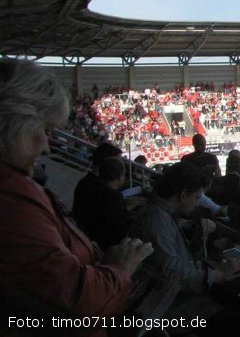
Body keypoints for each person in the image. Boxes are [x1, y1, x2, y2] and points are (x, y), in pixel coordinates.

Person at [0, 58, 153, 335]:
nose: (47, 147)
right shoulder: (10, 195)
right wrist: (121, 267)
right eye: (45, 131)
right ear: (15, 122)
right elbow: (78, 301)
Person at [128, 161, 240, 325]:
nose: (198, 202)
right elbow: (171, 274)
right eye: (197, 197)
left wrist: (200, 241)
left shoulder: (162, 214)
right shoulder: (156, 220)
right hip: (165, 310)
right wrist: (218, 274)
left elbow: (176, 261)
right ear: (183, 195)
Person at [72, 156, 134, 249]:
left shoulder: (91, 187)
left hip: (84, 237)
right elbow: (118, 228)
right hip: (101, 245)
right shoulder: (112, 196)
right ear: (120, 176)